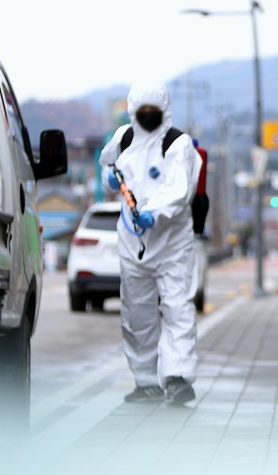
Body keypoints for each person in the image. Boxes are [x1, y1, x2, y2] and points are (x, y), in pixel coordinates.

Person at [99, 82, 202, 404]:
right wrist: (109, 180)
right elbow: (107, 169)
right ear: (132, 112)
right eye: (140, 112)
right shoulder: (123, 138)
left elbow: (179, 188)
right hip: (133, 243)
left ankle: (178, 377)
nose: (146, 117)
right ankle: (145, 380)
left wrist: (154, 212)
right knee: (136, 312)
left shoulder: (177, 143)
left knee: (177, 308)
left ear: (164, 112)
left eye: (152, 112)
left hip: (172, 243)